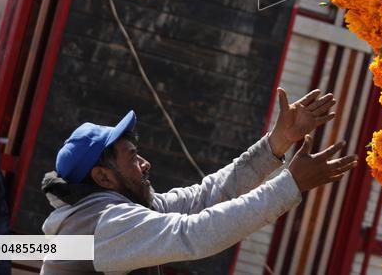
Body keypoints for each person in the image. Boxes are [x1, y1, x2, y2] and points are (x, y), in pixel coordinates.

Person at [40, 89, 356, 274]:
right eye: (133, 157)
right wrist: (290, 185)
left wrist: (279, 140)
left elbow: (203, 199)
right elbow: (195, 234)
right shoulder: (109, 224)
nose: (145, 163)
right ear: (103, 176)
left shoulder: (112, 210)